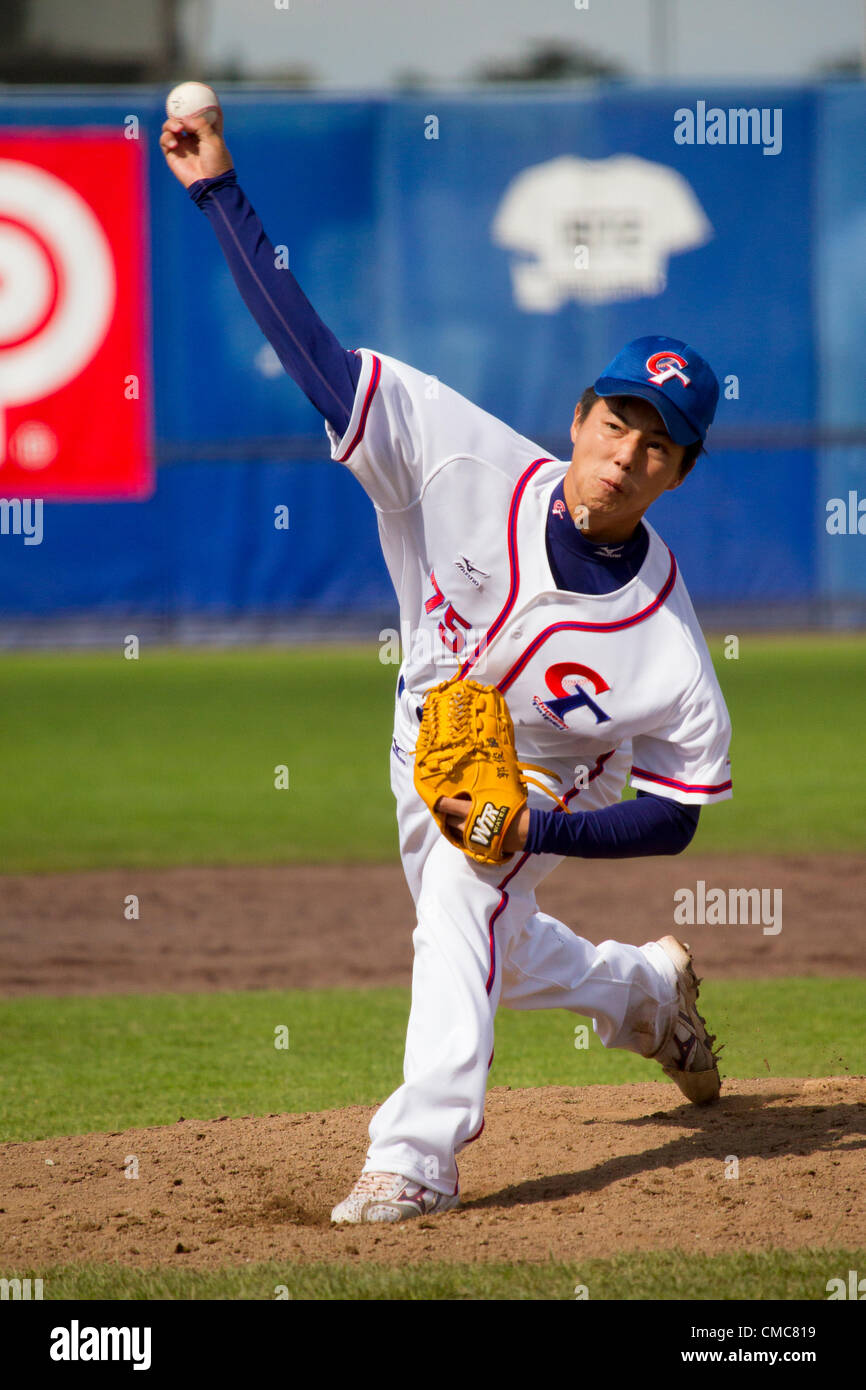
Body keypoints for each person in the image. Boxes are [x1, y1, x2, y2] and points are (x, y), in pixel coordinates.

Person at [160, 108, 732, 1227]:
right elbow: (316, 358)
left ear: (676, 473)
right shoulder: (459, 453)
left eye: (656, 443)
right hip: (421, 737)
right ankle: (644, 992)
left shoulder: (662, 641)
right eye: (616, 420)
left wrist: (536, 827)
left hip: (554, 778)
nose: (624, 453)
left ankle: (416, 1153)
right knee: (489, 946)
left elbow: (674, 816)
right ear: (577, 418)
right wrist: (218, 192)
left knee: (467, 897)